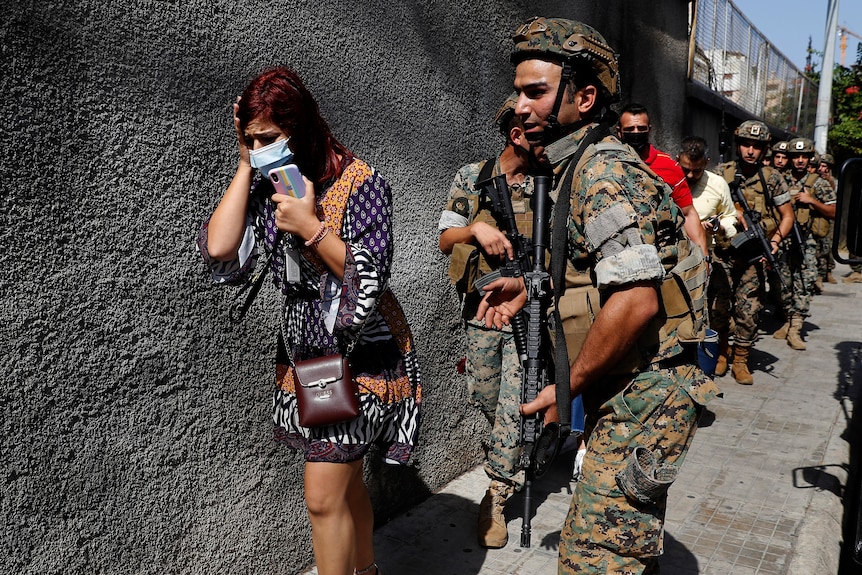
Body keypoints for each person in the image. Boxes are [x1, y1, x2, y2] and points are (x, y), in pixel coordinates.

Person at [477, 17, 721, 574]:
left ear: (584, 98)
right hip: (628, 379)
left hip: (647, 389)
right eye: (517, 90)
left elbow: (636, 300)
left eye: (535, 91)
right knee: (620, 546)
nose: (519, 106)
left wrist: (568, 390)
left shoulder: (602, 171)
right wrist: (528, 284)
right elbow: (599, 270)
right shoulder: (573, 165)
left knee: (593, 560)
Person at [197, 67, 421, 575]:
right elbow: (219, 248)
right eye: (251, 139)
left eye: (270, 138)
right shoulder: (266, 185)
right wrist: (243, 163)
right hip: (308, 357)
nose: (262, 148)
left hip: (360, 353)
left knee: (322, 498)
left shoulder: (361, 183)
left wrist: (313, 228)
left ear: (301, 127)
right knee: (346, 481)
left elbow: (370, 279)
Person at [437, 94, 534, 549]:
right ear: (515, 134)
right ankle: (516, 448)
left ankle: (495, 494)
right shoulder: (473, 177)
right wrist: (474, 229)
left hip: (531, 308)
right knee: (486, 395)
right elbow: (444, 239)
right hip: (481, 307)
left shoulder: (550, 181)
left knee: (515, 401)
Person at [713, 121, 794, 382]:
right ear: (737, 145)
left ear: (764, 150)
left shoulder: (773, 178)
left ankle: (741, 360)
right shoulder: (720, 173)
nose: (750, 151)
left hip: (754, 257)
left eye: (757, 146)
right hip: (724, 254)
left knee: (749, 311)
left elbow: (787, 216)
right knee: (719, 307)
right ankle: (721, 353)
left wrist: (775, 241)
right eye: (746, 144)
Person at [677, 136, 738, 375]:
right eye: (686, 170)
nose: (691, 176)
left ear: (707, 163)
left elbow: (731, 217)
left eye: (697, 171)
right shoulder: (667, 179)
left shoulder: (718, 184)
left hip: (706, 258)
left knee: (715, 311)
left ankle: (716, 353)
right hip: (674, 259)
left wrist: (719, 226)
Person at [617, 103, 710, 260]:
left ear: (649, 130)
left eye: (641, 129)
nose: (636, 133)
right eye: (629, 129)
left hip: (659, 256)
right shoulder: (607, 163)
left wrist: (704, 258)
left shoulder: (668, 166)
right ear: (619, 132)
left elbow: (688, 213)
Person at [771, 137, 835, 348]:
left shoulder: (819, 182)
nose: (799, 160)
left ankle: (796, 328)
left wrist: (812, 201)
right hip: (782, 240)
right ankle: (788, 320)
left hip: (806, 242)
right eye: (795, 156)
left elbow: (834, 211)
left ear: (809, 159)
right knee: (783, 283)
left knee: (804, 282)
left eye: (804, 156)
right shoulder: (779, 179)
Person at [817, 153, 838, 285]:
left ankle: (828, 271)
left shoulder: (832, 180)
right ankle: (820, 274)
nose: (821, 168)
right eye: (820, 165)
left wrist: (829, 181)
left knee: (828, 245)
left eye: (824, 166)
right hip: (819, 217)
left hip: (829, 217)